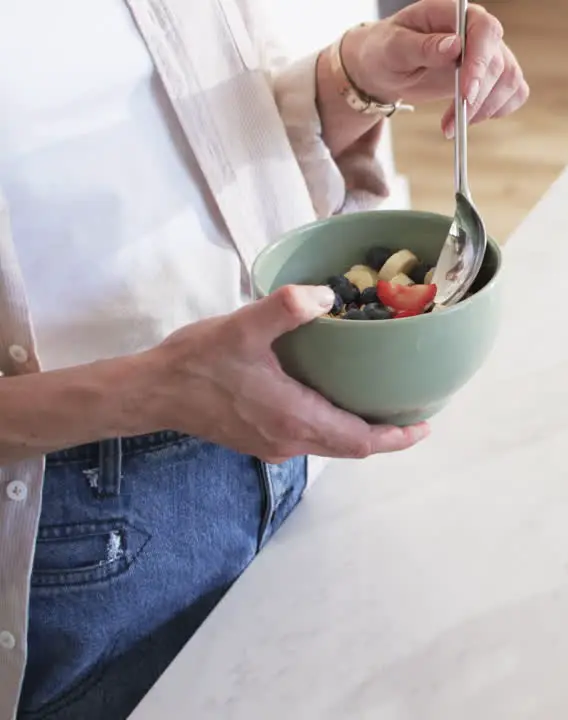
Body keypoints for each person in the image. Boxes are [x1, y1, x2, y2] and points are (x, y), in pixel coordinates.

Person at [0, 1, 528, 717]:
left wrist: (350, 82)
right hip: (75, 537)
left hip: (281, 450)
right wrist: (155, 389)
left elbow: (164, 139)